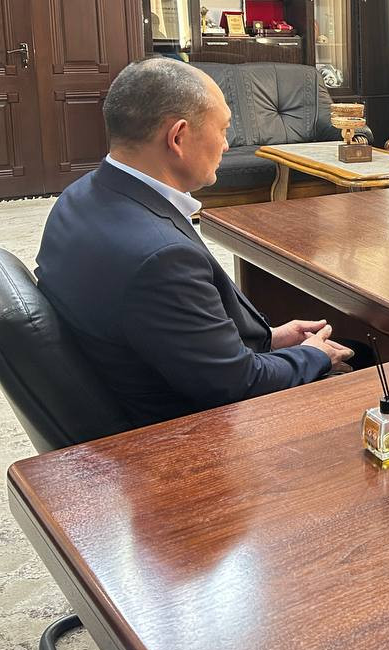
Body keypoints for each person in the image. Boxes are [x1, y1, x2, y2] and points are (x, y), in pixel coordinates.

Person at [36, 58, 353, 428]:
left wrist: (271, 338)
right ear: (178, 137)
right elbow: (237, 385)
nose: (227, 144)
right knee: (374, 380)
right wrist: (314, 355)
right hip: (188, 434)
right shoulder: (161, 258)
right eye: (223, 129)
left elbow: (167, 333)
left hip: (149, 380)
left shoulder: (76, 198)